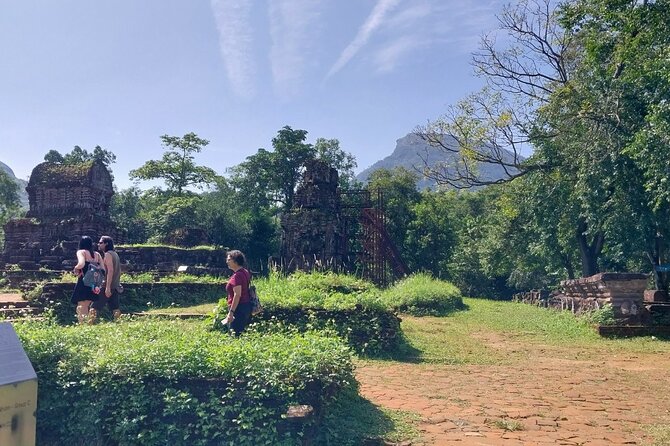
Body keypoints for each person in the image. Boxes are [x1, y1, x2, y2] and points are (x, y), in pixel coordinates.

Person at [70, 236, 104, 324]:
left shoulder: (81, 252)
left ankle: (83, 325)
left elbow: (81, 264)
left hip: (84, 281)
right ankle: (89, 324)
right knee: (88, 304)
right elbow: (103, 269)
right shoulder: (97, 255)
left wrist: (75, 268)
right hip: (94, 283)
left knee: (82, 305)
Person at [90, 235, 122, 322]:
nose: (98, 244)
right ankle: (120, 324)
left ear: (106, 244)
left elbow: (110, 271)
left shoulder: (108, 255)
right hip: (114, 285)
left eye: (100, 243)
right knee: (115, 308)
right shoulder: (115, 254)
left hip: (106, 286)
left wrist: (107, 287)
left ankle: (87, 326)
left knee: (94, 307)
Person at [225, 249, 252, 336]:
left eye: (229, 260)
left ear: (236, 261)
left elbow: (237, 294)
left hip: (238, 308)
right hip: (246, 306)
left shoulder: (237, 276)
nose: (227, 261)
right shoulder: (245, 272)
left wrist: (231, 312)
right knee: (241, 333)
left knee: (234, 334)